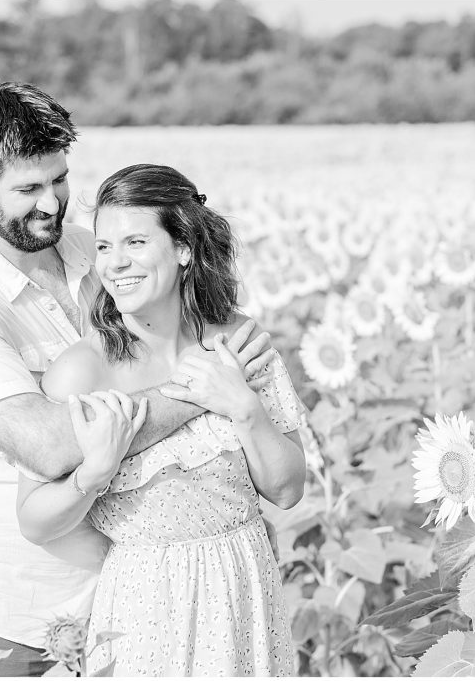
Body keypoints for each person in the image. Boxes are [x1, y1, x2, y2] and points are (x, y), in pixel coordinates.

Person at [0, 83, 274, 676]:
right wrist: (210, 384)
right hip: (4, 613)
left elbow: (188, 326)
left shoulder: (94, 256)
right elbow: (49, 445)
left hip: (123, 603)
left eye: (59, 179)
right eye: (28, 189)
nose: (52, 204)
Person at [16, 164, 307, 676]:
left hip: (245, 587)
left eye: (135, 243)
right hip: (147, 603)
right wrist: (93, 474)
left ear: (183, 249)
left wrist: (243, 406)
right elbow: (33, 521)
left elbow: (286, 490)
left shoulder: (236, 341)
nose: (115, 263)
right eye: (104, 247)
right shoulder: (82, 369)